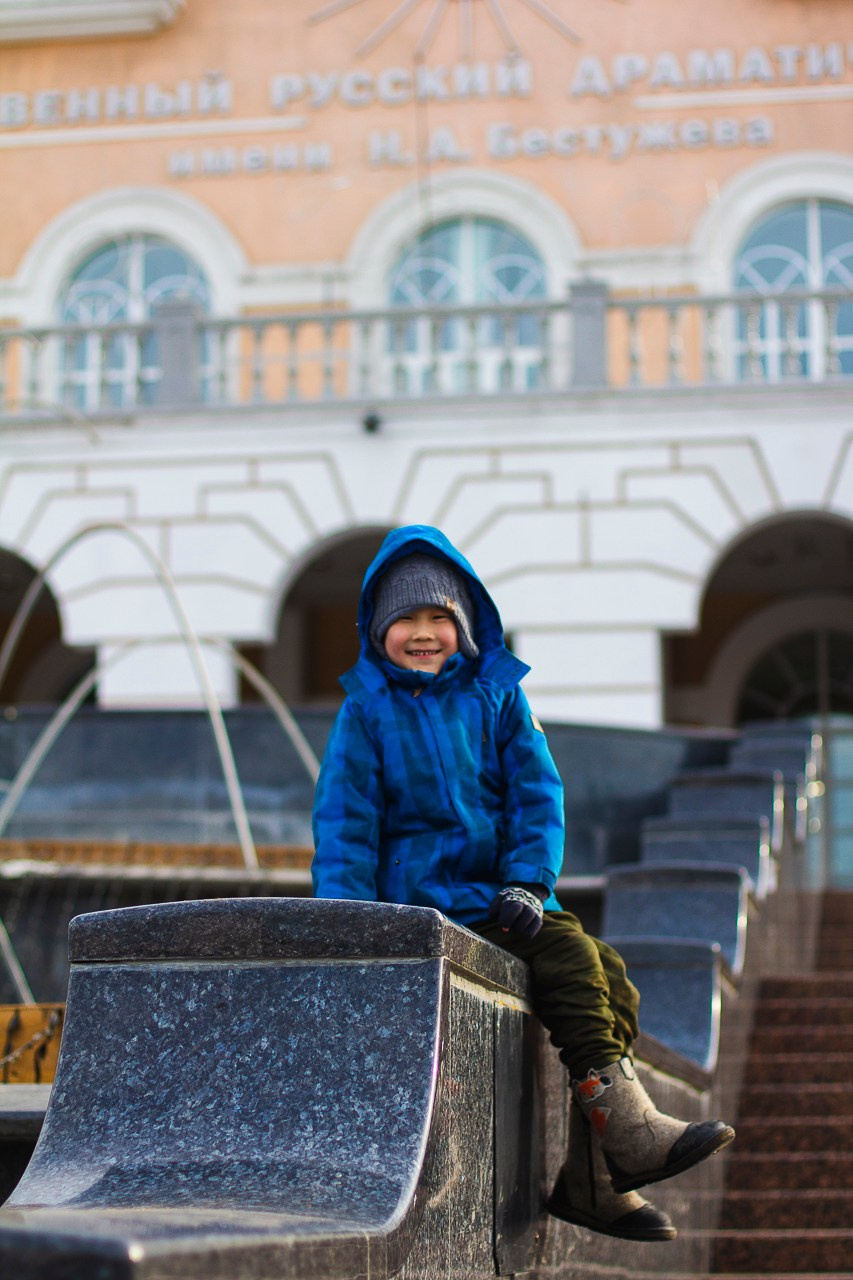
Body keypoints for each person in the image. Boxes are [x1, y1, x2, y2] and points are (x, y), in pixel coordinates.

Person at [312, 524, 734, 1243]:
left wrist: (528, 883)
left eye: (438, 618)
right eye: (404, 621)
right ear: (376, 630)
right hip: (422, 904)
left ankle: (592, 1182)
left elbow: (536, 795)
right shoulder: (366, 712)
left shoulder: (498, 696)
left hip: (498, 896)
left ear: (466, 623)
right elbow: (346, 824)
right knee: (573, 957)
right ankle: (625, 1136)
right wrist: (355, 925)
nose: (422, 634)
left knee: (612, 974)